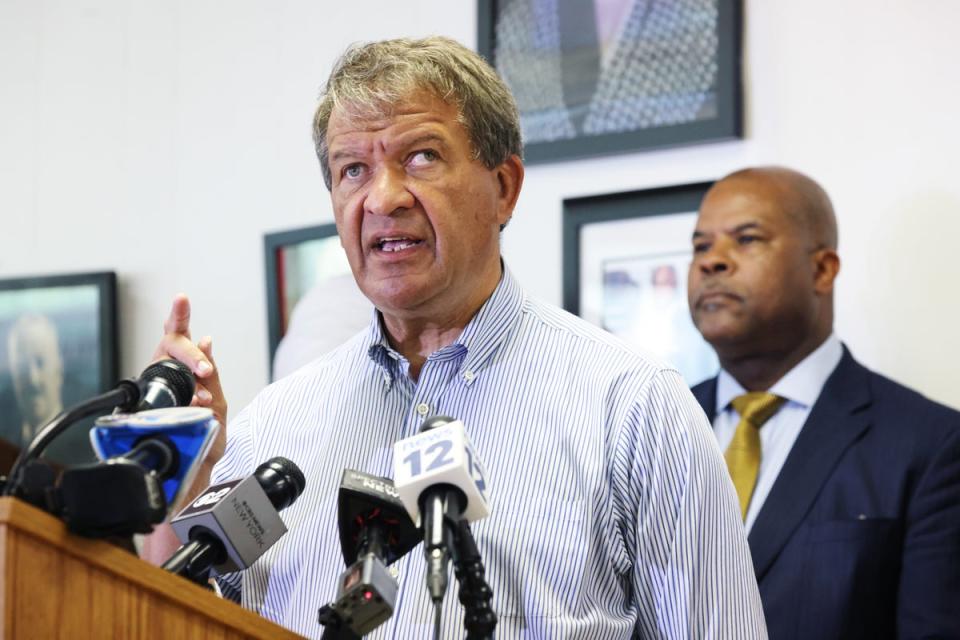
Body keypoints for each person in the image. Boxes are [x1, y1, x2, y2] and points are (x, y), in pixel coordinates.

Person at [144, 37, 765, 638]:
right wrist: (185, 483)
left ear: (504, 187)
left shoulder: (634, 408)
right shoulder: (274, 422)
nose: (383, 198)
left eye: (421, 157)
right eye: (353, 169)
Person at [686, 166, 960, 639]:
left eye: (746, 239)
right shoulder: (651, 426)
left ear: (822, 269)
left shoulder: (931, 445)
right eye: (701, 247)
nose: (713, 262)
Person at [6, 313, 64, 446]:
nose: (33, 380)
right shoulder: (6, 444)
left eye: (40, 363)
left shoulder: (86, 441)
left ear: (59, 370)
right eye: (23, 367)